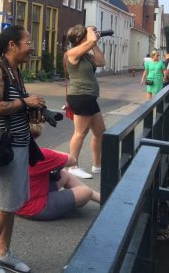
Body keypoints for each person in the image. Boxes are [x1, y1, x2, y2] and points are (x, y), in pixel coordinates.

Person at [0, 25, 46, 273]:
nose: (32, 46)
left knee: (12, 203)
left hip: (19, 145)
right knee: (3, 205)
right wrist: (24, 102)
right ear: (12, 45)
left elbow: (15, 106)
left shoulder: (14, 71)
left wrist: (30, 111)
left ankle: (3, 252)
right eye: (28, 42)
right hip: (4, 149)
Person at [15, 123, 100, 221]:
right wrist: (50, 152)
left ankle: (102, 198)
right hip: (35, 208)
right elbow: (72, 160)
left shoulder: (10, 151)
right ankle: (100, 200)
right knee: (86, 192)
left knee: (63, 174)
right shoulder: (41, 154)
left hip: (15, 203)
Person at [64, 25, 106, 180]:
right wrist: (90, 33)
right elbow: (90, 39)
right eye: (87, 36)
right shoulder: (72, 53)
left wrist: (94, 44)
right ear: (80, 39)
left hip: (89, 97)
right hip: (80, 96)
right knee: (80, 132)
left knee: (100, 131)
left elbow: (101, 62)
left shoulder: (87, 55)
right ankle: (72, 166)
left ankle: (97, 165)